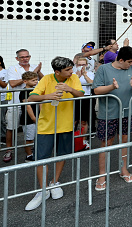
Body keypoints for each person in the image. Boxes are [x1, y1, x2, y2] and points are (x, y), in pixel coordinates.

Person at [25, 56, 84, 211]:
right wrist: (46, 96)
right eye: (68, 70)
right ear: (57, 71)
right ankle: (42, 190)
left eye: (71, 69)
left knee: (62, 155)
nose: (71, 72)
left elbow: (81, 95)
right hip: (46, 126)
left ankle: (55, 182)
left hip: (66, 125)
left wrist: (70, 90)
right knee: (41, 158)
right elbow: (31, 97)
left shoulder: (74, 78)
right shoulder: (46, 80)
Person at [92, 46, 132, 189]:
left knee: (124, 140)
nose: (131, 64)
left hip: (128, 111)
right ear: (121, 60)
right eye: (129, 62)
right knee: (106, 143)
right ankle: (102, 174)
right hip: (108, 113)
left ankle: (123, 169)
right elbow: (96, 90)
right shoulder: (103, 69)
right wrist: (111, 87)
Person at [6, 49, 44, 162]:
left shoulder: (34, 67)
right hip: (15, 102)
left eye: (27, 56)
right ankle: (9, 150)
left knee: (32, 128)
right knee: (11, 127)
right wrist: (26, 79)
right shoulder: (12, 68)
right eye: (22, 57)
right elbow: (12, 83)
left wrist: (38, 71)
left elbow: (42, 80)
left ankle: (32, 149)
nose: (25, 58)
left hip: (33, 104)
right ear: (17, 58)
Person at [73, 57, 94, 150]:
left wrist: (85, 75)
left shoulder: (90, 73)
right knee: (73, 121)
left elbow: (92, 84)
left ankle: (83, 140)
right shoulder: (73, 74)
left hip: (86, 98)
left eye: (83, 64)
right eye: (79, 64)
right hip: (75, 98)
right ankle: (70, 139)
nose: (81, 67)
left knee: (83, 121)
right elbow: (70, 84)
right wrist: (78, 75)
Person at [18, 71, 39, 162]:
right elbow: (28, 106)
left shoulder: (35, 90)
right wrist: (33, 118)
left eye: (36, 80)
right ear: (25, 81)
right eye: (33, 80)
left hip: (36, 117)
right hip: (28, 119)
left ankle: (33, 152)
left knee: (35, 136)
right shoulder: (24, 92)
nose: (36, 82)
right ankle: (29, 155)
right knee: (29, 138)